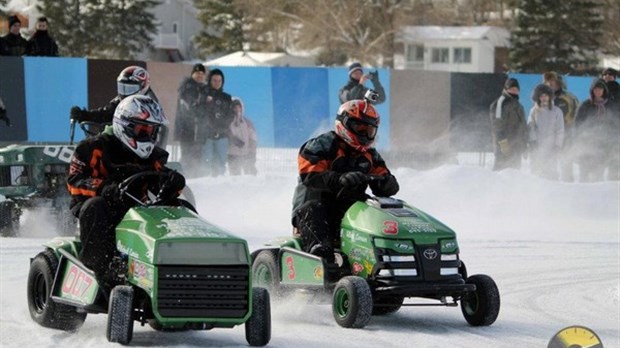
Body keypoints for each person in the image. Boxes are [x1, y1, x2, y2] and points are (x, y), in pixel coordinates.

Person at [67, 95, 185, 291]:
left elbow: (159, 181)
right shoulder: (92, 148)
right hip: (98, 210)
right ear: (125, 125)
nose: (148, 135)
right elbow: (75, 181)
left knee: (182, 208)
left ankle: (183, 264)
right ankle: (103, 270)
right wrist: (105, 188)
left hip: (138, 209)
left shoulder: (153, 156)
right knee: (97, 206)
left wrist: (173, 183)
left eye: (151, 131)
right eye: (142, 130)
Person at [291, 99, 399, 264]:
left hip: (349, 209)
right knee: (313, 209)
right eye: (360, 128)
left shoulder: (370, 155)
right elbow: (310, 175)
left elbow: (384, 179)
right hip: (316, 209)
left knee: (376, 208)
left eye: (369, 130)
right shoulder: (321, 145)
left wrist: (386, 183)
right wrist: (339, 179)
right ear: (345, 124)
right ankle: (321, 257)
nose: (364, 134)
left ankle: (387, 253)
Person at [70, 66, 160, 138]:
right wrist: (85, 115)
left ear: (143, 87)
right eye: (122, 87)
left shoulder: (151, 105)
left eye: (130, 89)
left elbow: (152, 130)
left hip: (141, 145)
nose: (125, 93)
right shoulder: (121, 101)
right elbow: (107, 114)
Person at [575, 79, 620, 182]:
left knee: (599, 171)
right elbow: (578, 124)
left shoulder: (611, 105)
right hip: (588, 142)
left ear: (604, 91)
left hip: (606, 143)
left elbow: (617, 123)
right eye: (595, 89)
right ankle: (583, 192)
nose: (598, 91)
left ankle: (599, 193)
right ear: (592, 91)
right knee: (585, 171)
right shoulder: (585, 105)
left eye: (600, 89)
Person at [174, 63, 209, 177]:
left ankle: (194, 177)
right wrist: (205, 100)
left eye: (202, 74)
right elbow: (191, 107)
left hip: (198, 131)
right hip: (187, 130)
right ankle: (183, 178)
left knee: (197, 156)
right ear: (192, 74)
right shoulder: (188, 87)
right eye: (197, 73)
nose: (200, 75)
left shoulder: (202, 88)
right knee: (187, 156)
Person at [543, 72, 579, 182]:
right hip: (548, 137)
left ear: (559, 83)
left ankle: (568, 188)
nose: (550, 84)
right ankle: (550, 188)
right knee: (549, 167)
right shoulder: (542, 99)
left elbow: (578, 117)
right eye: (547, 82)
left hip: (566, 136)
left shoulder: (570, 98)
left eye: (552, 81)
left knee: (566, 165)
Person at [527, 84, 565, 180]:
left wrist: (557, 145)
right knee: (537, 173)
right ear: (537, 97)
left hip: (551, 148)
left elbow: (560, 130)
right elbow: (531, 126)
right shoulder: (533, 111)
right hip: (538, 147)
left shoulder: (557, 111)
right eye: (541, 96)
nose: (543, 98)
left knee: (551, 172)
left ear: (550, 96)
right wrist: (533, 141)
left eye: (545, 95)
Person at [489, 77, 528, 171]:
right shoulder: (500, 103)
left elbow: (522, 127)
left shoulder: (519, 106)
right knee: (500, 176)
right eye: (511, 88)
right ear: (506, 89)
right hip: (503, 149)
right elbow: (497, 125)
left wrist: (524, 146)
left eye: (516, 89)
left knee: (514, 178)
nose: (514, 91)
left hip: (516, 148)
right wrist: (503, 144)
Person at [203, 68, 233, 176]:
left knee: (221, 161)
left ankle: (219, 183)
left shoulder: (227, 97)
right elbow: (201, 114)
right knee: (207, 160)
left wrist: (221, 128)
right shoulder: (204, 95)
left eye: (219, 81)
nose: (217, 83)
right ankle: (205, 181)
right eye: (214, 80)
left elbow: (230, 116)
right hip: (207, 135)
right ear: (210, 81)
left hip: (222, 134)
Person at [228, 97, 258, 175]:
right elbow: (226, 134)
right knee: (235, 176)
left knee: (250, 175)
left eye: (239, 107)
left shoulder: (247, 122)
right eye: (235, 107)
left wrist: (252, 152)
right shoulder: (228, 121)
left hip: (246, 153)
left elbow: (253, 137)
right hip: (233, 154)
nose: (237, 109)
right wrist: (234, 140)